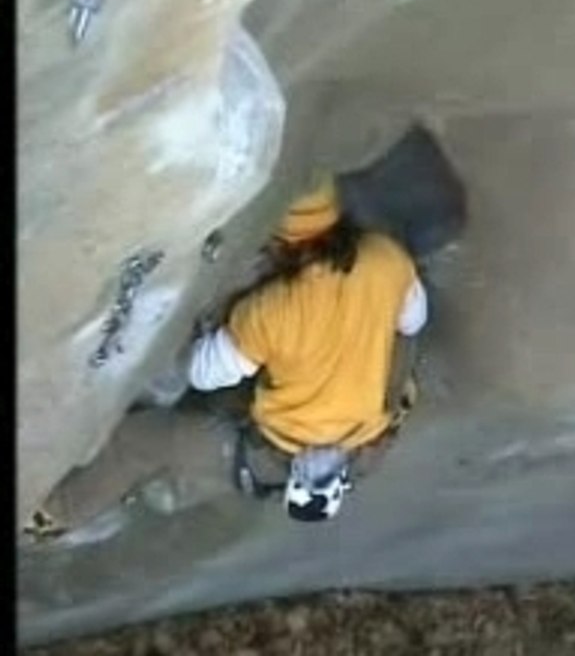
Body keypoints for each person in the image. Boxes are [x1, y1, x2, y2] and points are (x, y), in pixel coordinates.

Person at [28, 174, 427, 540]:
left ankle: (55, 512)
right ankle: (399, 397)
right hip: (361, 430)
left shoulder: (274, 308)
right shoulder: (385, 258)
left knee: (139, 443)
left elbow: (204, 373)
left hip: (277, 449)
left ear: (282, 243)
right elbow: (413, 319)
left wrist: (223, 317)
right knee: (397, 338)